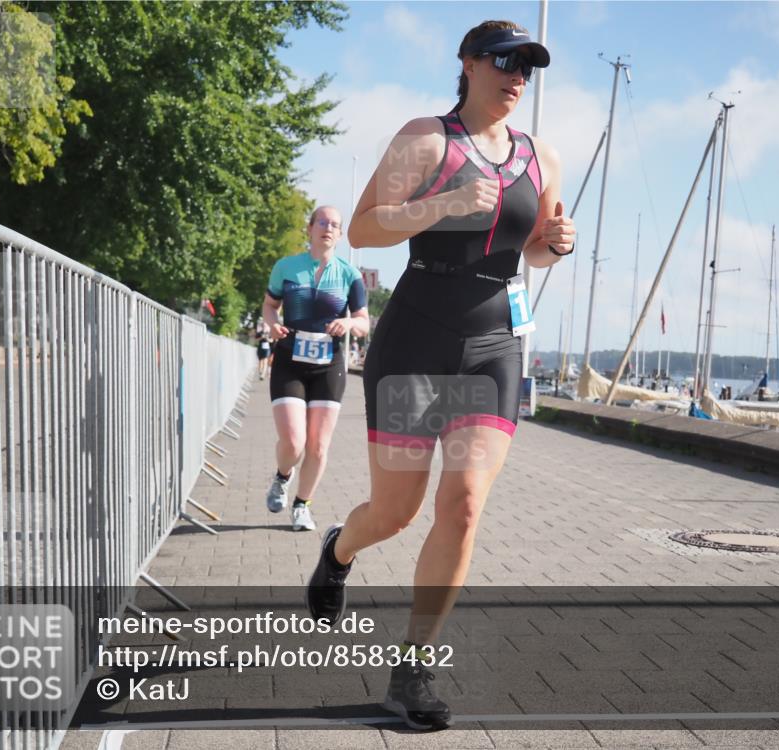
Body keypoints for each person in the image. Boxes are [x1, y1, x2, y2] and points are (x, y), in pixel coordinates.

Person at [305, 20, 576, 730]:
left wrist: (554, 244)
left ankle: (413, 667)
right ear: (467, 63)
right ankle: (338, 550)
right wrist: (446, 204)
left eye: (528, 66)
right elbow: (364, 228)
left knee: (460, 506)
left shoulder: (541, 155)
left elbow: (536, 252)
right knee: (394, 512)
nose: (517, 75)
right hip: (419, 336)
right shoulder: (428, 138)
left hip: (494, 345)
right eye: (503, 60)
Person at [262, 206, 369, 531]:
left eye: (334, 224)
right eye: (321, 221)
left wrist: (348, 322)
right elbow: (270, 305)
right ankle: (282, 477)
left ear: (339, 234)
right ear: (309, 229)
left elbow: (364, 323)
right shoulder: (286, 267)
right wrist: (272, 324)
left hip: (328, 366)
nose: (328, 227)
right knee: (294, 442)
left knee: (318, 445)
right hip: (290, 361)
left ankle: (301, 505)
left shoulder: (350, 275)